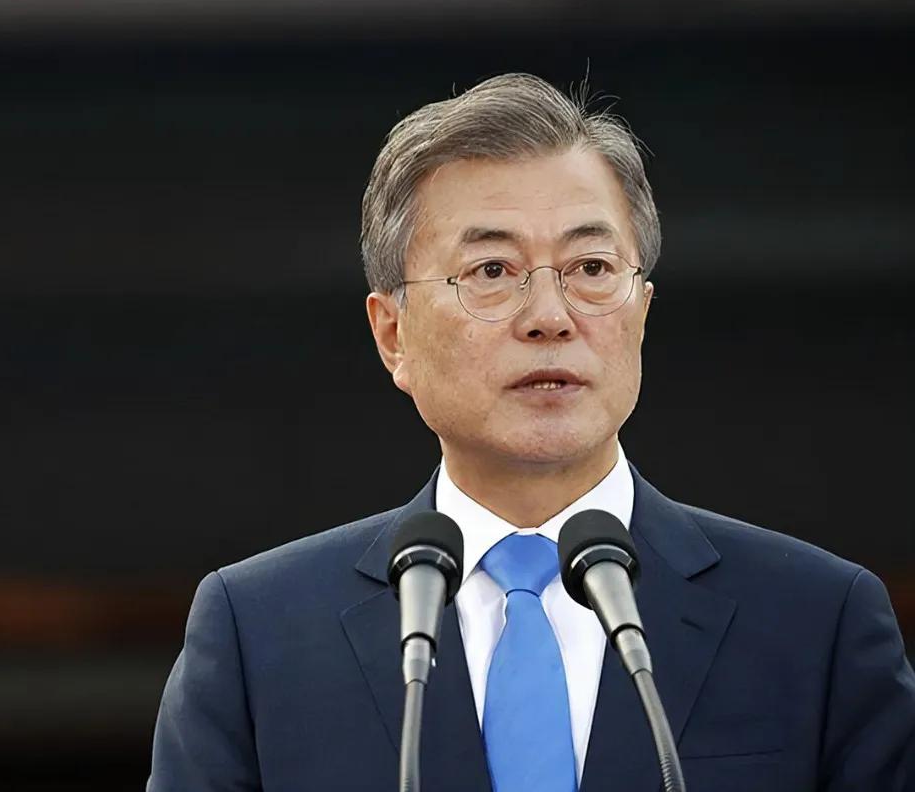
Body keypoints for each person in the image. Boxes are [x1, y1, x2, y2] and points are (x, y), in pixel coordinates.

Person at [147, 73, 915, 791]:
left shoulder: (818, 624)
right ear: (393, 335)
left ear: (642, 312)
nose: (550, 316)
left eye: (591, 267)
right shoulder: (260, 634)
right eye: (492, 271)